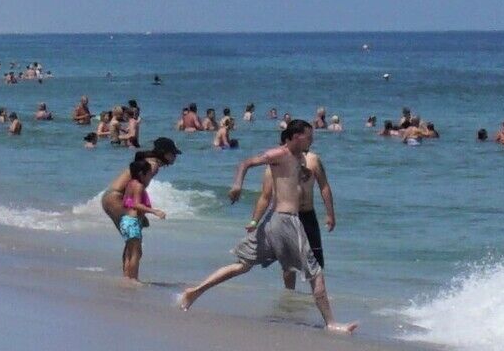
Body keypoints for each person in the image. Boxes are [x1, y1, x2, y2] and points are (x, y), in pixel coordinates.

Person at [176, 120, 349, 330]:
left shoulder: (299, 159)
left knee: (242, 265)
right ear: (296, 137)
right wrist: (237, 185)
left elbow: (294, 181)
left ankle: (194, 292)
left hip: (273, 221)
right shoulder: (280, 154)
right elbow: (245, 163)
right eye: (308, 136)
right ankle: (331, 323)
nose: (312, 140)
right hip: (287, 220)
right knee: (315, 273)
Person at [100, 148, 161, 282]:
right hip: (131, 221)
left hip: (126, 220)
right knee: (136, 252)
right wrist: (154, 211)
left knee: (130, 250)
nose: (151, 177)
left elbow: (128, 202)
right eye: (149, 174)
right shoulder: (138, 186)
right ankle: (133, 280)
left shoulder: (130, 185)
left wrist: (143, 216)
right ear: (142, 174)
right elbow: (136, 205)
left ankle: (127, 278)